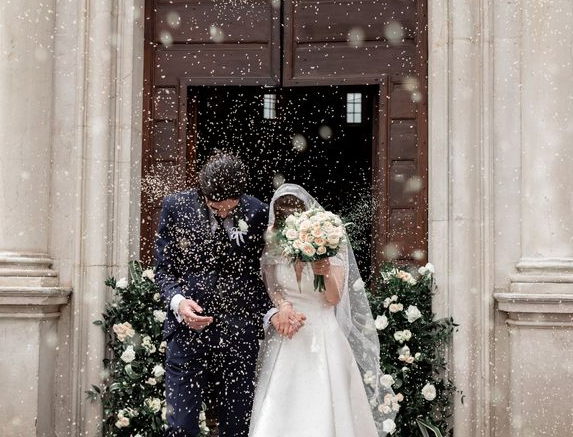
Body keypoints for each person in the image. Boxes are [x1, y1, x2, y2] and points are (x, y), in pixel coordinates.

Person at [155, 152, 305, 437]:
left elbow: (260, 276)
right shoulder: (175, 207)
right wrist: (179, 302)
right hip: (186, 337)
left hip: (238, 337)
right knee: (180, 427)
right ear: (203, 193)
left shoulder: (257, 211)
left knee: (236, 426)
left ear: (240, 194)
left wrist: (272, 311)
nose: (223, 213)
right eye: (215, 207)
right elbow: (164, 270)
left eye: (229, 207)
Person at [249, 183, 397, 437]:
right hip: (289, 334)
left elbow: (334, 297)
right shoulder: (273, 237)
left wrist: (324, 270)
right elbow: (272, 283)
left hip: (323, 335)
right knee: (281, 407)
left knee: (325, 408)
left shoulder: (327, 240)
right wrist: (283, 306)